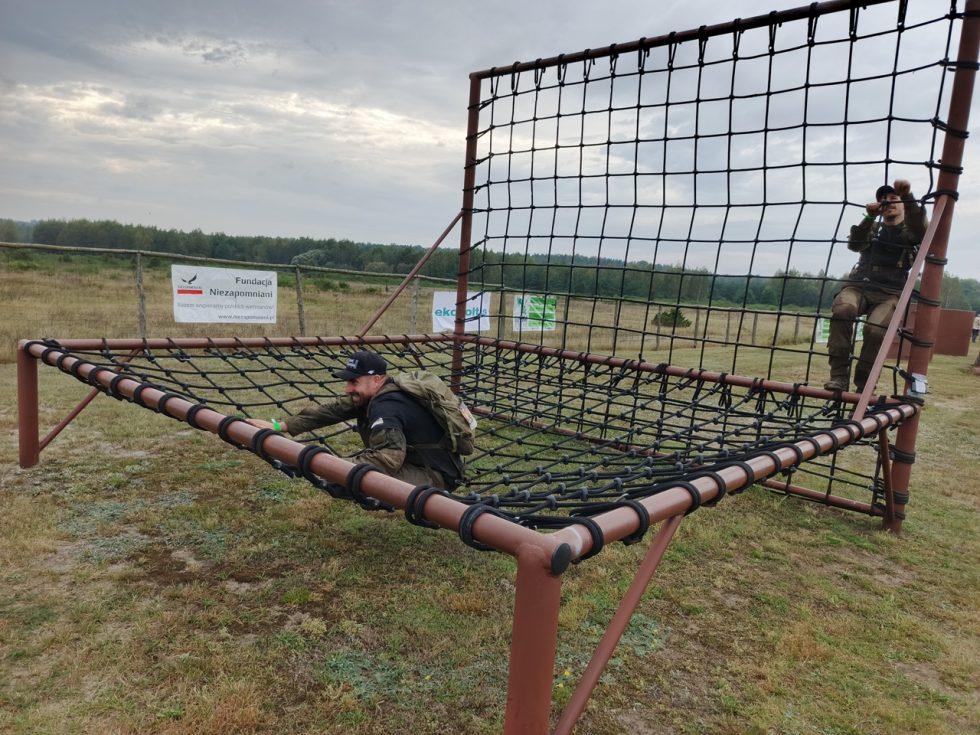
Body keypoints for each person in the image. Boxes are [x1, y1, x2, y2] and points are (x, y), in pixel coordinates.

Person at [246, 351, 463, 490]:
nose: (348, 388)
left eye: (354, 382)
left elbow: (388, 459)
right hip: (423, 464)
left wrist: (334, 467)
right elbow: (332, 411)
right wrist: (279, 426)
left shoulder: (387, 407)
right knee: (345, 473)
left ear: (376, 379)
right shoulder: (377, 392)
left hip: (435, 476)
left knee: (350, 480)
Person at [825, 179, 927, 392]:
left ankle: (864, 385)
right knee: (843, 309)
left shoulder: (909, 231)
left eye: (893, 198)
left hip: (890, 293)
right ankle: (839, 377)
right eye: (883, 199)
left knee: (875, 331)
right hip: (858, 286)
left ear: (903, 205)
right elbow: (854, 244)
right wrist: (869, 217)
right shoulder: (873, 227)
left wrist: (907, 196)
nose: (888, 202)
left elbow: (920, 229)